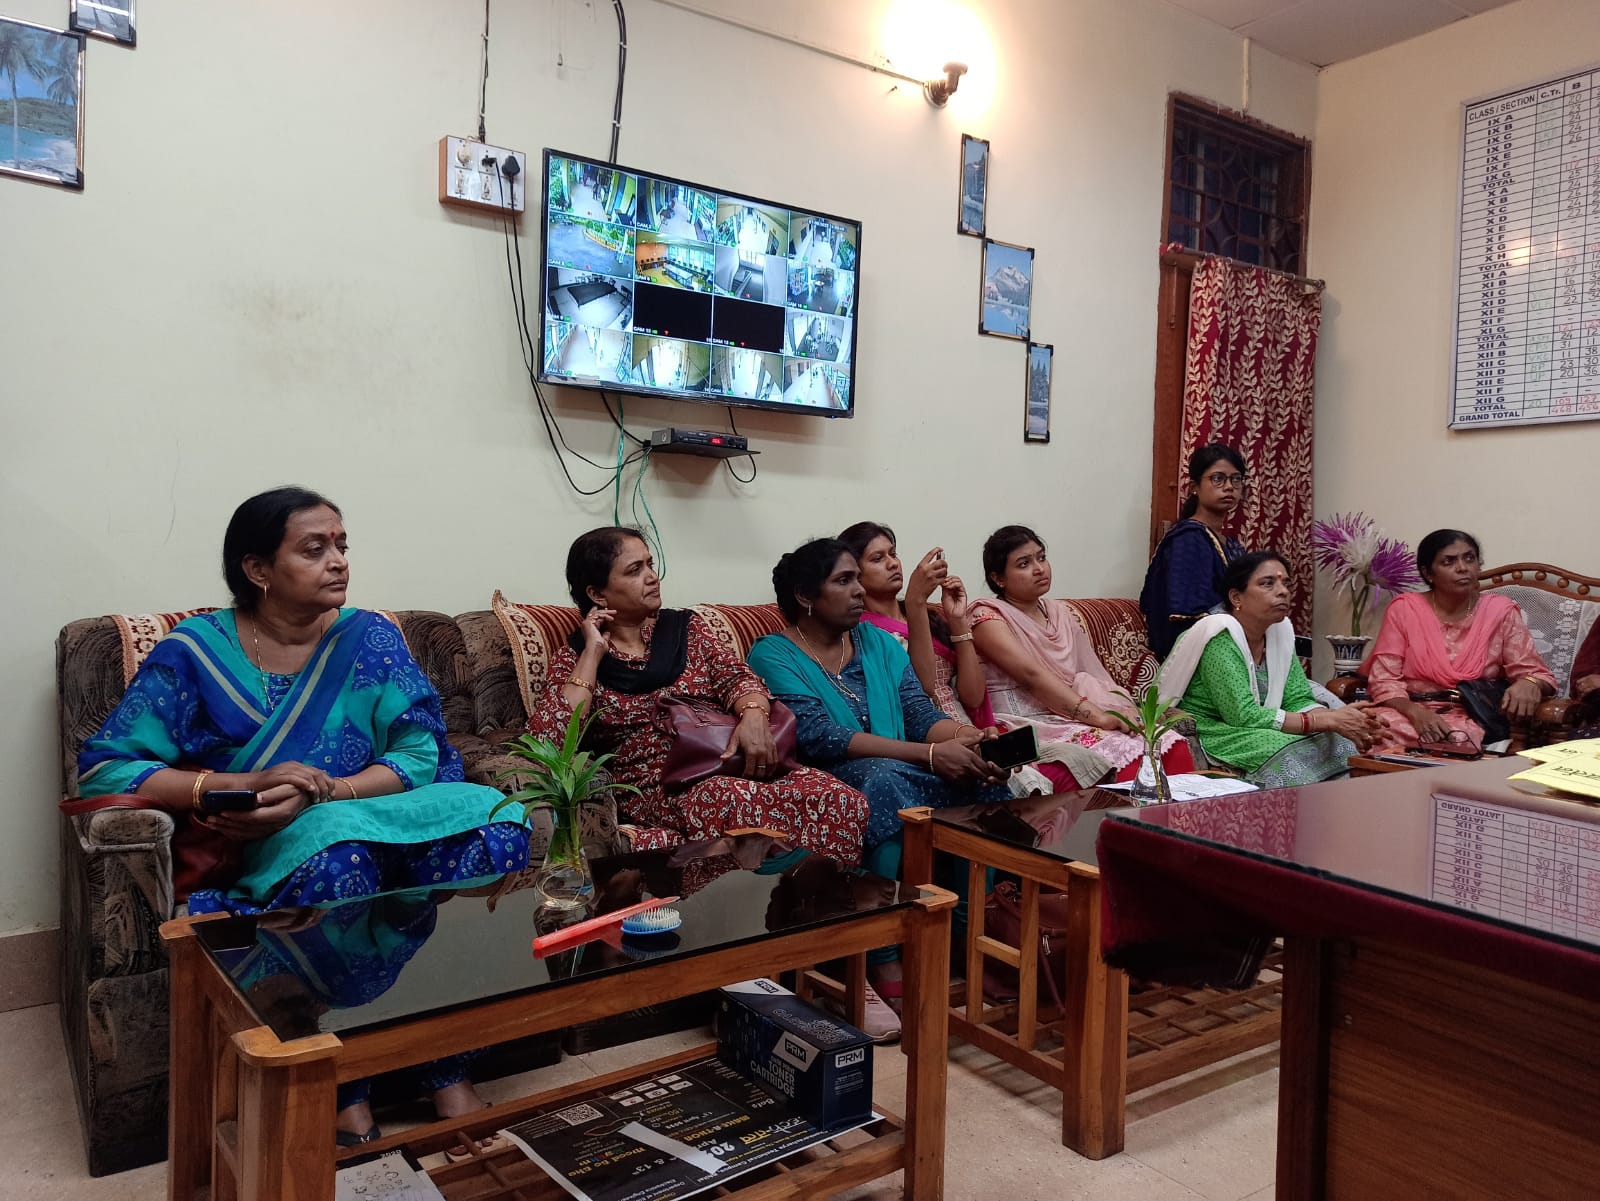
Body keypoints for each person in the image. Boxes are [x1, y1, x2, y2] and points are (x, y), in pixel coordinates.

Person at [76, 486, 528, 1146]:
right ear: (258, 569)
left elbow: (419, 752)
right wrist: (238, 784)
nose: (338, 560)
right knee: (340, 864)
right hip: (272, 840)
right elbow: (106, 767)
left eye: (341, 545)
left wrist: (328, 792)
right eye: (314, 549)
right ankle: (344, 1084)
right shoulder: (195, 652)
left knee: (492, 832)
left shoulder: (368, 637)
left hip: (371, 811)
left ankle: (443, 1060)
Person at [747, 539, 1011, 1022]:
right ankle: (882, 955)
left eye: (856, 578)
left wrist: (968, 738)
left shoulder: (879, 643)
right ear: (805, 595)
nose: (858, 591)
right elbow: (820, 736)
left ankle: (969, 936)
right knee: (884, 781)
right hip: (822, 776)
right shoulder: (773, 653)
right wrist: (929, 755)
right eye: (843, 580)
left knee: (983, 778)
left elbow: (919, 714)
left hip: (899, 763)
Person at [527, 527, 869, 865]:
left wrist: (753, 714)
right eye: (635, 570)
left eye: (650, 564)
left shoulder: (686, 629)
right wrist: (593, 653)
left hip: (730, 760)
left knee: (840, 797)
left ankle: (820, 895)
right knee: (732, 799)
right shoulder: (576, 658)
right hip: (663, 785)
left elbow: (737, 677)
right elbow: (550, 741)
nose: (652, 577)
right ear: (597, 594)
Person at [970, 525, 1194, 791]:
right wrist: (1097, 717)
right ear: (998, 578)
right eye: (1024, 564)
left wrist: (1121, 709)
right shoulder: (986, 617)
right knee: (1126, 758)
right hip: (1025, 722)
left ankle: (1178, 817)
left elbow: (1091, 672)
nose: (1039, 569)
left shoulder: (1060, 613)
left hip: (1072, 713)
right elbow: (1031, 676)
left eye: (1041, 558)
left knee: (1166, 744)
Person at [1159, 551, 1387, 786]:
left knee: (1341, 743)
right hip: (1218, 730)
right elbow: (1243, 716)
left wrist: (1340, 718)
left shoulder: (1279, 633)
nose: (1283, 591)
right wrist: (1327, 721)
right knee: (1288, 755)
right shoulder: (1219, 636)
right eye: (1268, 583)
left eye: (1286, 583)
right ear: (1236, 597)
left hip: (1261, 725)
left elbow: (1297, 698)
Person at [1364, 530, 1556, 753]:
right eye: (1448, 562)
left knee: (1455, 737)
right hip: (1407, 709)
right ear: (1428, 573)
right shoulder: (1404, 609)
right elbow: (1385, 680)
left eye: (1469, 558)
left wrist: (1529, 682)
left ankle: (1486, 750)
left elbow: (1536, 673)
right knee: (1371, 729)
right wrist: (1416, 713)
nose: (1463, 568)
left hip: (1470, 713)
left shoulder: (1499, 612)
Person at [837, 520, 991, 725]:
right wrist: (916, 601)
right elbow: (920, 690)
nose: (893, 563)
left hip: (964, 727)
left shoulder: (932, 616)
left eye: (893, 554)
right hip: (920, 734)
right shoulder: (859, 633)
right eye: (877, 559)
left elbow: (973, 698)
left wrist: (957, 621)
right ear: (854, 573)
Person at [1140, 444, 1248, 659]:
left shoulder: (1233, 546)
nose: (1229, 486)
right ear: (1194, 487)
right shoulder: (1188, 539)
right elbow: (1189, 613)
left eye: (1236, 479)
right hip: (1197, 652)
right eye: (1218, 478)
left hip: (1233, 641)